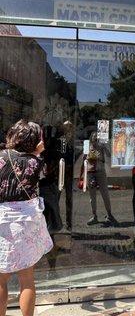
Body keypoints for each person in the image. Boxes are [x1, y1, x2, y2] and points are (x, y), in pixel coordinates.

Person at [0, 120, 53, 316]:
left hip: (2, 221)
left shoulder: (1, 157)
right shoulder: (36, 162)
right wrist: (37, 152)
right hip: (26, 221)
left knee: (0, 278)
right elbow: (43, 176)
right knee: (27, 278)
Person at [80, 132, 118, 226]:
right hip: (90, 172)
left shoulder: (101, 146)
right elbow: (83, 159)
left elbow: (109, 155)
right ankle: (94, 216)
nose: (95, 138)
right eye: (93, 137)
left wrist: (104, 146)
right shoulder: (87, 146)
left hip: (100, 171)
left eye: (97, 137)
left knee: (105, 194)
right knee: (92, 196)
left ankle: (109, 214)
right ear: (91, 138)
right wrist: (82, 173)